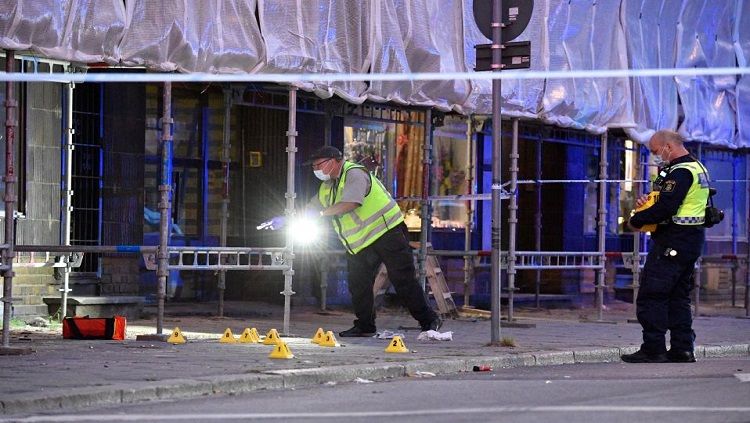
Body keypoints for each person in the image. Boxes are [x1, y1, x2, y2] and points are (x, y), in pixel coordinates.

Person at [306, 146, 441, 337]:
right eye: (313, 166)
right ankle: (365, 325)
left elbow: (351, 203)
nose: (315, 170)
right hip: (360, 242)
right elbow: (312, 206)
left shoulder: (354, 174)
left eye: (318, 165)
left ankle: (429, 319)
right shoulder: (326, 187)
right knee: (358, 284)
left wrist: (320, 214)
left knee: (402, 279)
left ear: (334, 160)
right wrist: (291, 217)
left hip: (387, 232)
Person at [622, 130, 710, 363]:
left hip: (673, 240)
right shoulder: (696, 167)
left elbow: (667, 208)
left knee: (653, 293)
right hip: (690, 240)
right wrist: (646, 202)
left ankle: (654, 348)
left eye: (654, 151)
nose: (655, 156)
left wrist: (636, 219)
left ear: (668, 147)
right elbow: (665, 201)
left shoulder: (680, 172)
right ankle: (682, 349)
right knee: (677, 296)